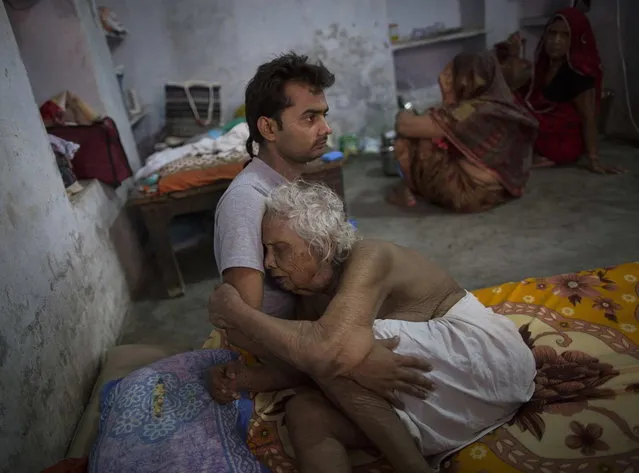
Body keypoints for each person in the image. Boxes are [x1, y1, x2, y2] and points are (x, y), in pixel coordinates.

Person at [210, 181, 537, 473]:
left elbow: (326, 353)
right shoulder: (309, 303)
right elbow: (305, 365)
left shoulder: (371, 256)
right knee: (306, 411)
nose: (268, 263)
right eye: (265, 251)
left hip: (492, 366)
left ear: (320, 242)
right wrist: (245, 378)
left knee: (335, 351)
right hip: (443, 401)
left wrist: (237, 311)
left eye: (279, 249)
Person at [210, 53, 434, 418]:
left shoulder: (286, 184)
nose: (326, 128)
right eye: (310, 118)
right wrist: (350, 364)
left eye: (324, 115)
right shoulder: (245, 202)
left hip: (320, 328)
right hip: (297, 345)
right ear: (268, 129)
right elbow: (241, 325)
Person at [387, 51, 538, 212]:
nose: (444, 79)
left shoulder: (473, 111)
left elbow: (403, 125)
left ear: (466, 79)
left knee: (407, 139)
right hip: (501, 190)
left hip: (468, 194)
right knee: (439, 131)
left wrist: (406, 114)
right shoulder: (501, 104)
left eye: (451, 75)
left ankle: (409, 189)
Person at [513, 8, 624, 173]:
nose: (555, 41)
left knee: (509, 110)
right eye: (552, 33)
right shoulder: (545, 65)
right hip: (546, 130)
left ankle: (535, 155)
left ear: (577, 39)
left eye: (564, 35)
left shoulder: (578, 73)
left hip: (562, 143)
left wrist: (593, 159)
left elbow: (589, 118)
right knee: (506, 101)